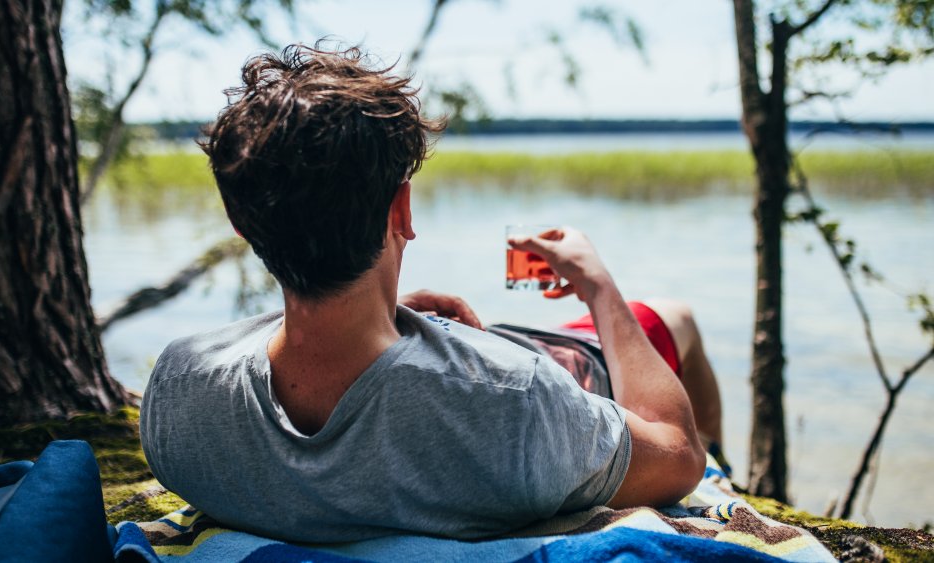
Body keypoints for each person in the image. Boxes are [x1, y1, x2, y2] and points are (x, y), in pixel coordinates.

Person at [140, 43, 722, 543]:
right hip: (553, 381)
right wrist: (597, 286)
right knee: (677, 318)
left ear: (241, 222)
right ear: (402, 208)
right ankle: (740, 476)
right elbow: (679, 457)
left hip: (447, 365)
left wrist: (392, 319)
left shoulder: (178, 393)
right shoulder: (514, 399)